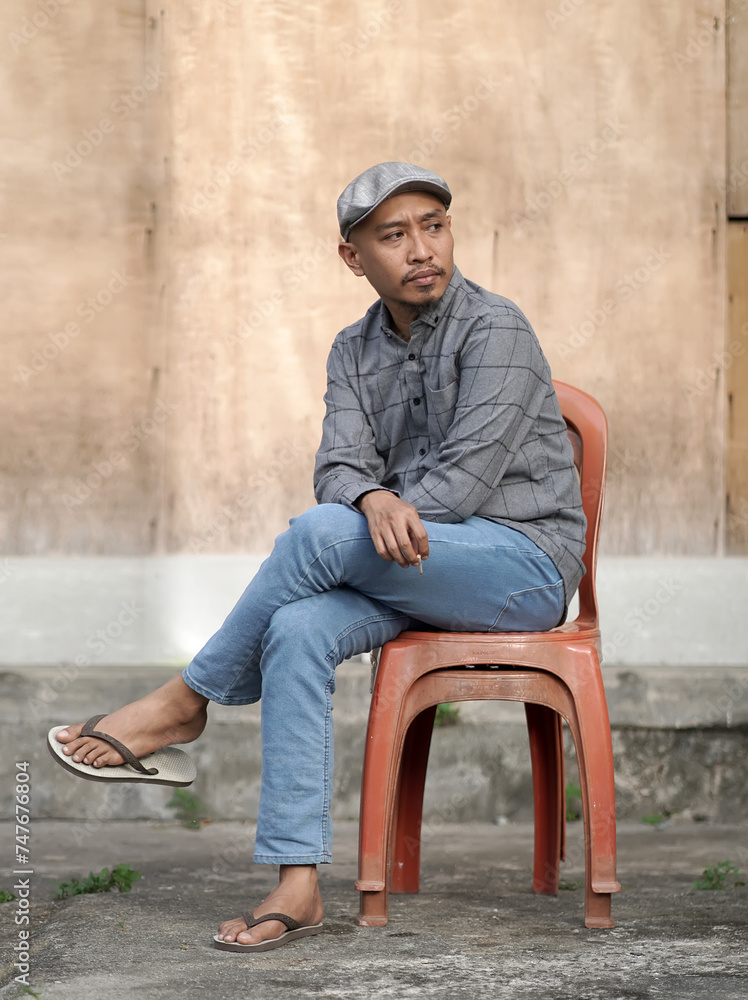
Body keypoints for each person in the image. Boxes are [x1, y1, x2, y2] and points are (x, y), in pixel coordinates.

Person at [49, 161, 586, 952]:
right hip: (411, 563)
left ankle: (184, 701)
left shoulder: (495, 326)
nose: (421, 249)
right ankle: (297, 882)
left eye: (434, 227)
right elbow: (338, 469)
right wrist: (370, 499)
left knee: (320, 534)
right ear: (352, 257)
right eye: (393, 236)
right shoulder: (352, 351)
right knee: (296, 626)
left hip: (522, 566)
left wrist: (365, 510)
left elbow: (464, 483)